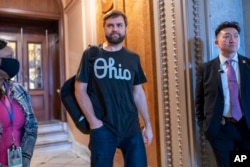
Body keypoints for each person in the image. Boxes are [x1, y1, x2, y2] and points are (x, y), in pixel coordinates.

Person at [74, 10, 153, 167]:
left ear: (125, 28)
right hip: (103, 128)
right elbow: (80, 89)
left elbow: (138, 93)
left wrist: (148, 125)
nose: (115, 29)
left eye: (119, 25)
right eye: (110, 25)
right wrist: (93, 121)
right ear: (104, 28)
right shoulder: (91, 55)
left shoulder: (133, 58)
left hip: (132, 127)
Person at [195, 21, 250, 167]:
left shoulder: (248, 65)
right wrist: (205, 125)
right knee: (225, 164)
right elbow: (199, 101)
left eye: (236, 36)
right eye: (227, 36)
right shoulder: (206, 69)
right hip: (220, 130)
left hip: (246, 128)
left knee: (242, 163)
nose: (232, 40)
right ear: (216, 42)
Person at [0, 39, 38, 167]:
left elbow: (32, 126)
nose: (14, 62)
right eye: (9, 57)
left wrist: (25, 157)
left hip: (19, 161)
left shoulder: (18, 90)